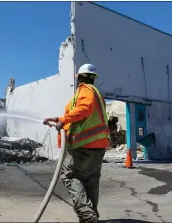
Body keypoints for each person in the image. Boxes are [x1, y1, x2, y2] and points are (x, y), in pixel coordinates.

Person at [43, 64, 110, 223]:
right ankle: (91, 217)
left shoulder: (85, 90)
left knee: (69, 175)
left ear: (79, 77)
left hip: (83, 145)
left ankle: (88, 217)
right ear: (94, 78)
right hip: (98, 145)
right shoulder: (97, 94)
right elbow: (84, 114)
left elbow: (83, 109)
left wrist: (63, 120)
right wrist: (60, 120)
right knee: (90, 180)